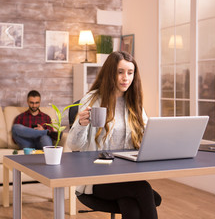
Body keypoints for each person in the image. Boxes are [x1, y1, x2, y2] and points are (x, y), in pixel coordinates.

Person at [67, 51, 161, 219]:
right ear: (110, 73)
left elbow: (147, 136)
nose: (126, 78)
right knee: (144, 190)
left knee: (131, 207)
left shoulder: (134, 103)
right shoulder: (92, 99)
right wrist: (81, 125)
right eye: (120, 72)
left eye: (130, 73)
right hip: (96, 178)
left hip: (126, 176)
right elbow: (74, 146)